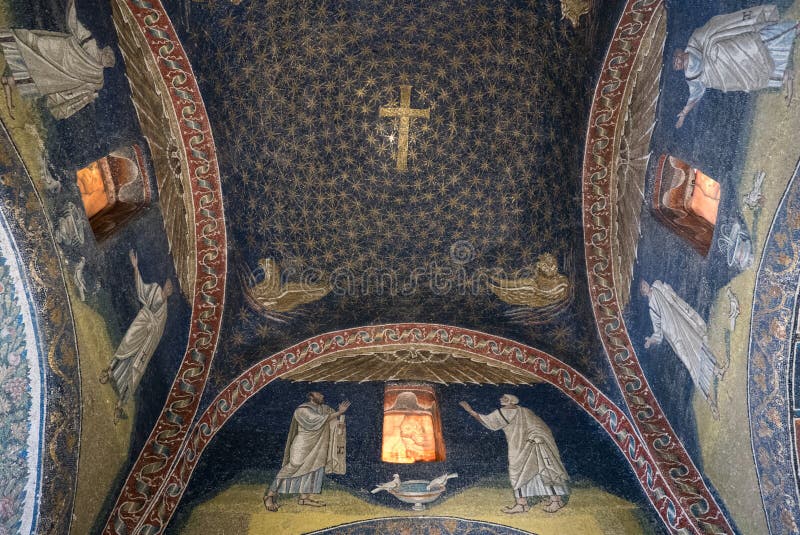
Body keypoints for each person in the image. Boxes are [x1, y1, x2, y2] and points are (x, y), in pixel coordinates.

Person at [673, 5, 799, 128]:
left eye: (676, 60)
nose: (677, 64)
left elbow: (712, 28)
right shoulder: (690, 77)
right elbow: (695, 94)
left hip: (728, 49)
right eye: (676, 65)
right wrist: (684, 113)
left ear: (679, 53)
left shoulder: (694, 40)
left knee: (752, 46)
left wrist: (711, 49)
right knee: (752, 79)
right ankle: (783, 74)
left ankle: (792, 30)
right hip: (724, 75)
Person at [0, 0, 116, 119]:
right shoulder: (98, 79)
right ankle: (9, 78)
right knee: (36, 73)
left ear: (104, 51)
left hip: (55, 54)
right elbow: (84, 93)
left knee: (30, 47)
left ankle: (9, 76)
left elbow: (74, 25)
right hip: (58, 75)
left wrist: (71, 5)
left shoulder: (91, 45)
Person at [460, 395, 569, 513]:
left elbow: (540, 426)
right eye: (502, 398)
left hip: (532, 445)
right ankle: (522, 505)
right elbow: (489, 422)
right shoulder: (501, 412)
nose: (501, 399)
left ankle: (556, 501)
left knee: (544, 471)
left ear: (512, 400)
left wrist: (536, 435)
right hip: (516, 447)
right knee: (517, 474)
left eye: (505, 398)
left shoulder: (525, 412)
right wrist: (471, 412)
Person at [99, 250, 172, 423]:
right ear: (164, 284)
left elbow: (157, 335)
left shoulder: (165, 313)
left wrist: (151, 331)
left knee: (136, 370)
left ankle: (119, 404)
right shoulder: (154, 289)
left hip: (146, 342)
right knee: (125, 346)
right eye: (168, 285)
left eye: (170, 289)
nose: (168, 289)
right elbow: (140, 290)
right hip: (139, 325)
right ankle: (109, 371)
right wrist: (135, 267)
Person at [640, 280, 723, 414]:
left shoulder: (657, 285)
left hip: (681, 321)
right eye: (643, 287)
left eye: (644, 283)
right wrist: (651, 340)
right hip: (674, 336)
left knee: (698, 344)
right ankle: (710, 401)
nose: (646, 285)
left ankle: (717, 371)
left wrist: (668, 289)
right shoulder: (652, 308)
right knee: (690, 362)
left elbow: (671, 295)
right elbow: (658, 332)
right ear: (643, 293)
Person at [264, 392, 350, 511]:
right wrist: (339, 412)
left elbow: (333, 422)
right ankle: (270, 496)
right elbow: (316, 420)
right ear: (311, 396)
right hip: (303, 444)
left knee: (315, 469)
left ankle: (304, 498)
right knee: (293, 466)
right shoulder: (302, 410)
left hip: (319, 445)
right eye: (319, 395)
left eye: (322, 395)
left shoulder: (325, 409)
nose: (322, 396)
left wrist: (339, 424)